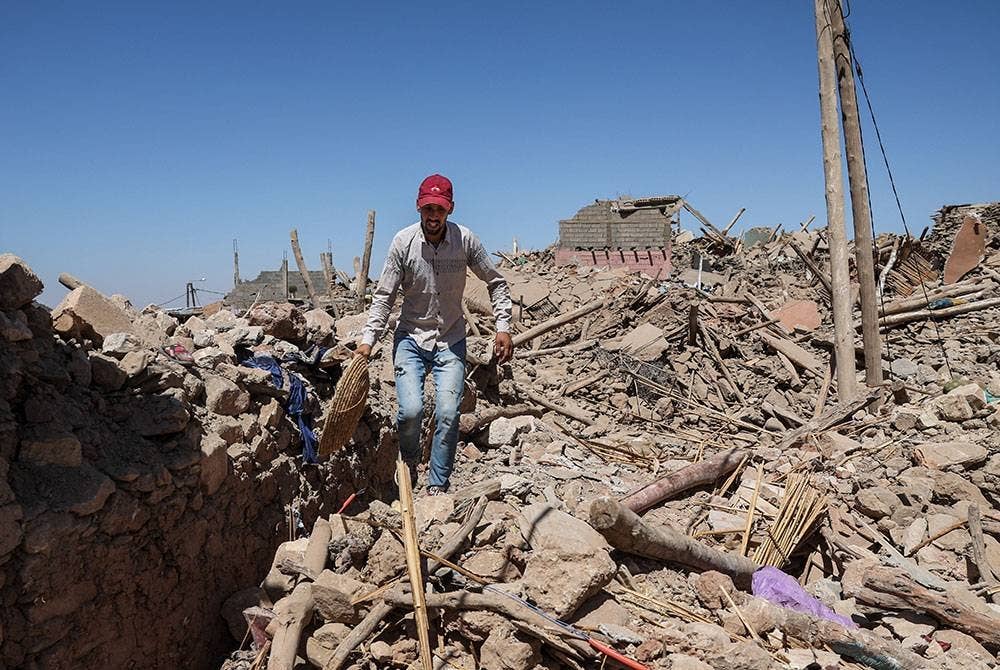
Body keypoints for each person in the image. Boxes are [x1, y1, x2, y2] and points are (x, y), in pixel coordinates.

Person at [356, 174, 513, 493]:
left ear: (450, 209)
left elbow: (496, 282)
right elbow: (384, 295)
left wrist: (503, 327)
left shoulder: (466, 240)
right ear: (418, 207)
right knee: (411, 411)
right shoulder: (403, 243)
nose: (433, 216)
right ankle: (410, 462)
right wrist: (367, 341)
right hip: (411, 338)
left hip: (451, 340)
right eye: (427, 208)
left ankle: (438, 485)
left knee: (448, 412)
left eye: (439, 209)